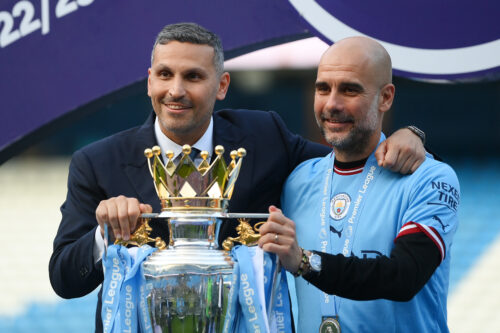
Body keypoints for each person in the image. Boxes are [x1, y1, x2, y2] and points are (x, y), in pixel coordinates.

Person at [49, 23, 428, 332]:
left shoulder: (265, 137)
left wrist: (411, 138)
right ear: (150, 81)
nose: (176, 90)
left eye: (193, 76)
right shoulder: (97, 162)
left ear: (223, 85)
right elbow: (64, 278)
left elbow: (351, 157)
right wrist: (104, 236)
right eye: (165, 75)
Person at [258, 36, 459, 333]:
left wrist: (304, 262)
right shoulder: (297, 180)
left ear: (386, 98)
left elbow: (404, 277)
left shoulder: (429, 178)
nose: (332, 103)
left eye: (350, 90)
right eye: (323, 88)